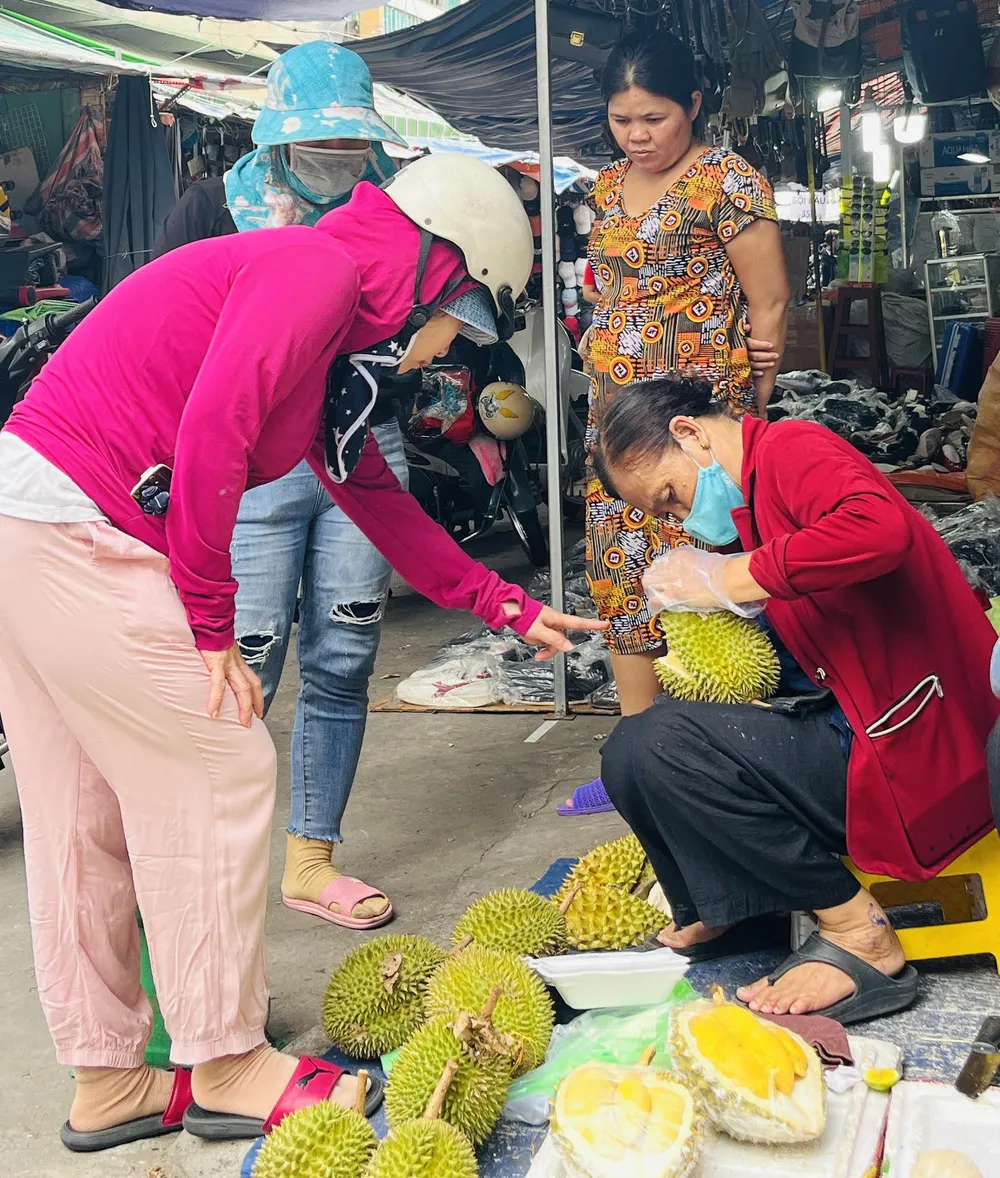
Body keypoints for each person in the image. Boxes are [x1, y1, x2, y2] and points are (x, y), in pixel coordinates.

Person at [0, 153, 602, 1150]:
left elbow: (373, 495)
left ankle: (110, 1080)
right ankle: (228, 1062)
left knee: (82, 812)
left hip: (28, 517)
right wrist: (207, 622)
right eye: (459, 322)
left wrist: (500, 601)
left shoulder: (330, 353)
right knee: (218, 763)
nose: (441, 350)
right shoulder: (311, 273)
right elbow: (212, 430)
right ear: (436, 273)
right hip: (78, 524)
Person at [593, 372, 999, 1023]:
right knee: (633, 751)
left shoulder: (791, 451)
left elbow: (880, 529)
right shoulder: (750, 507)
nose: (678, 517)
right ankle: (728, 905)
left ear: (691, 433)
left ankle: (857, 930)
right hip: (858, 727)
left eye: (670, 496)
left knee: (658, 745)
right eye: (665, 514)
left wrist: (730, 575)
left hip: (921, 749)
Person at [153, 42, 415, 930]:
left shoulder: (394, 206)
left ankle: (310, 859)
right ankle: (208, 875)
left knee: (342, 658)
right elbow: (171, 336)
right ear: (277, 136)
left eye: (352, 141)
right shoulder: (210, 208)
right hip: (250, 464)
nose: (338, 157)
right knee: (240, 661)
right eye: (321, 141)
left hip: (357, 444)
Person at [561, 31, 788, 816]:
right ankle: (640, 757)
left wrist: (748, 407)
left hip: (697, 414)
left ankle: (733, 759)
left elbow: (769, 303)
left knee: (709, 570)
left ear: (693, 104)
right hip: (616, 418)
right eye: (623, 120)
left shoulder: (728, 180)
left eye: (654, 117)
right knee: (621, 570)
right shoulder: (605, 185)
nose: (638, 135)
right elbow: (607, 290)